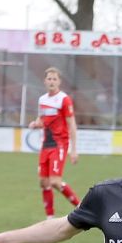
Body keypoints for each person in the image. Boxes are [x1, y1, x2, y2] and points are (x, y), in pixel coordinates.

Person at [28, 67, 81, 219]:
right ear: (45, 81)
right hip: (46, 144)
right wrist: (35, 123)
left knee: (55, 182)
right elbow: (41, 119)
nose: (51, 82)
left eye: (54, 79)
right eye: (49, 79)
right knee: (44, 182)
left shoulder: (64, 99)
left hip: (59, 144)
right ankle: (49, 218)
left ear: (59, 82)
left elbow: (72, 124)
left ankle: (81, 207)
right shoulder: (42, 99)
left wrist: (74, 149)